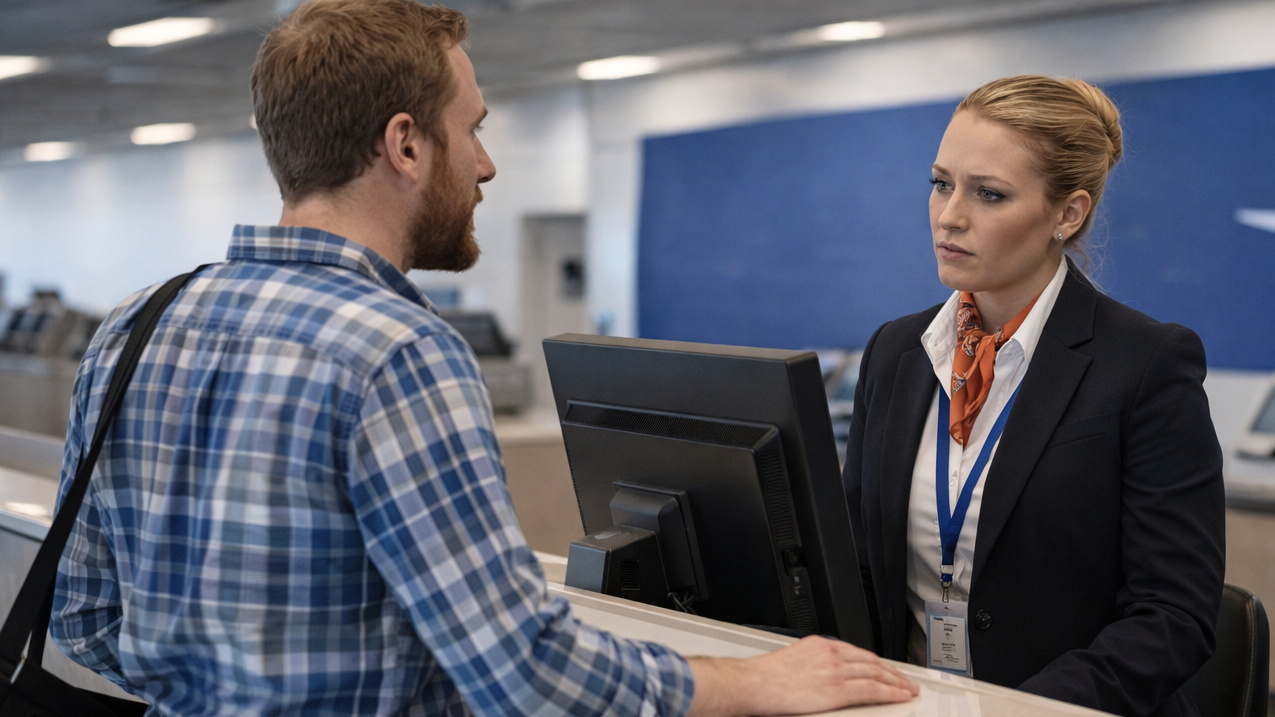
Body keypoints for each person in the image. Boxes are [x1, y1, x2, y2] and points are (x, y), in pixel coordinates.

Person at [49, 1, 918, 715]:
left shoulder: (137, 323)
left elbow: (82, 611)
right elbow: (522, 672)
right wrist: (750, 683)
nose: (488, 163)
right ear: (406, 144)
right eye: (472, 128)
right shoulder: (398, 350)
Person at [842, 75, 1224, 717]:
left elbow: (1172, 616)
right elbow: (852, 565)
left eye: (989, 194)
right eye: (941, 183)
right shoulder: (897, 352)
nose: (949, 215)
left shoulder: (1145, 365)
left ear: (1067, 214)